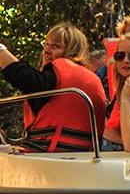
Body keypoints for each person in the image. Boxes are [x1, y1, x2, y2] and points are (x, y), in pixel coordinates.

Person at [0, 22, 106, 152]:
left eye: (56, 46)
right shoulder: (89, 78)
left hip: (55, 155)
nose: (47, 50)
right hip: (82, 153)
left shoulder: (66, 72)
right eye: (46, 44)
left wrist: (1, 51)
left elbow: (27, 79)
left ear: (72, 51)